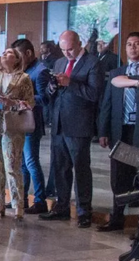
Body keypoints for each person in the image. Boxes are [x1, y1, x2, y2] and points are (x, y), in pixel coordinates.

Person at [41, 29, 104, 228]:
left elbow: (94, 94)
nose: (67, 53)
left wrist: (71, 83)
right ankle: (62, 206)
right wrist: (52, 87)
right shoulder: (59, 63)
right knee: (60, 167)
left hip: (79, 124)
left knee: (81, 167)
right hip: (59, 122)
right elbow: (50, 92)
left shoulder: (92, 63)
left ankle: (84, 210)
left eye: (70, 49)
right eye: (63, 50)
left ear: (79, 44)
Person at [97, 32, 139, 231]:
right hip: (120, 130)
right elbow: (107, 104)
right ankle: (117, 218)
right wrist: (103, 131)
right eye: (129, 44)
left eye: (137, 44)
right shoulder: (117, 73)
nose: (132, 48)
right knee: (118, 176)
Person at [0, 48, 34, 220]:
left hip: (13, 125)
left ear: (16, 59)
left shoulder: (23, 78)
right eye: (3, 52)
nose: (4, 54)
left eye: (9, 53)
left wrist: (12, 103)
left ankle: (17, 205)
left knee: (12, 166)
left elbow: (30, 103)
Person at [11, 39, 51, 214]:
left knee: (31, 162)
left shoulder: (40, 71)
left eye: (18, 55)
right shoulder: (24, 69)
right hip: (20, 122)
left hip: (31, 123)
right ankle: (22, 199)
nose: (16, 59)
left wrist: (23, 100)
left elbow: (45, 99)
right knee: (22, 164)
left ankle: (40, 200)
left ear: (28, 53)